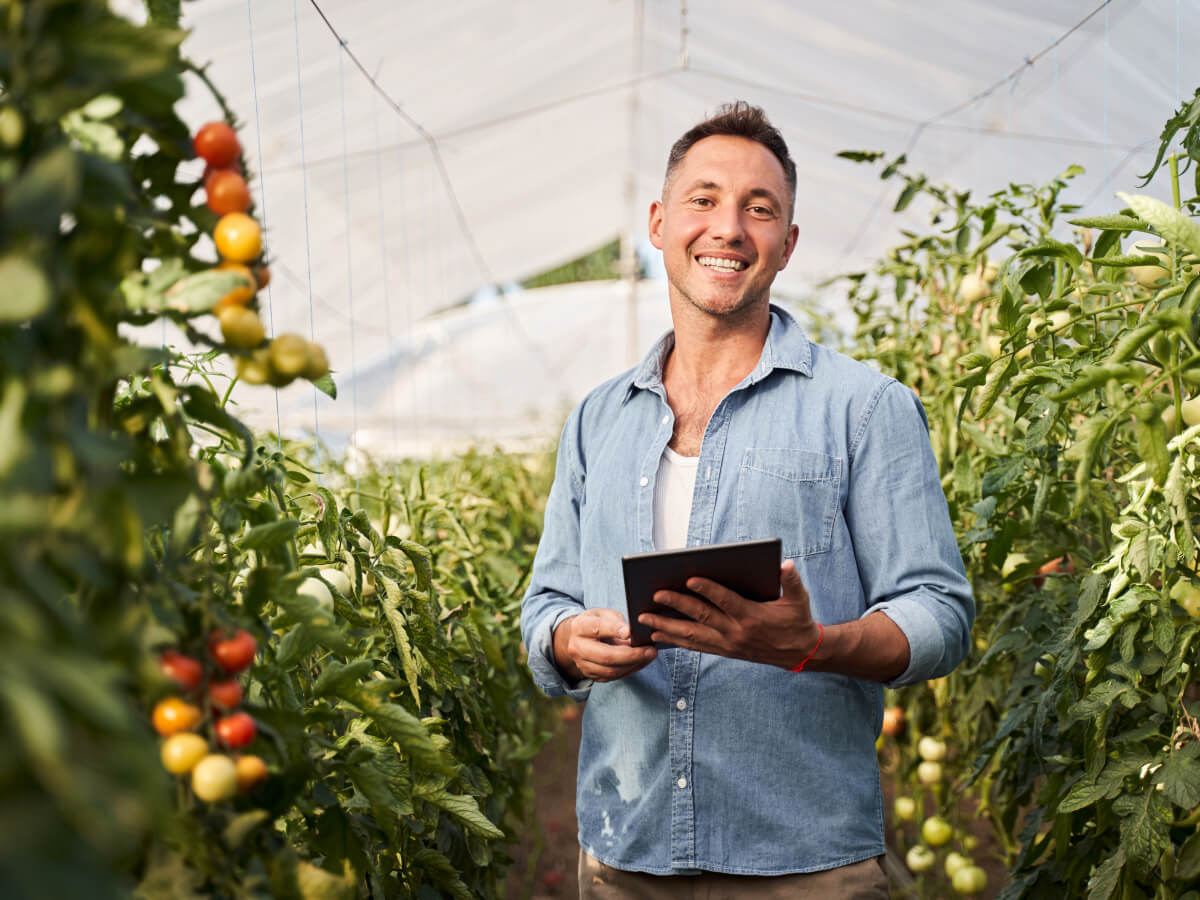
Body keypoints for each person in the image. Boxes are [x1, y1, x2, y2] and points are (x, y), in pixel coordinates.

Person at [520, 101, 974, 898]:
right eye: (703, 200)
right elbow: (546, 602)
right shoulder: (598, 421)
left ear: (787, 244)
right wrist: (568, 643)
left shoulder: (864, 407)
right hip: (629, 852)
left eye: (758, 209)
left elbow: (939, 613)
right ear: (660, 224)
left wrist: (815, 643)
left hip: (804, 860)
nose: (727, 227)